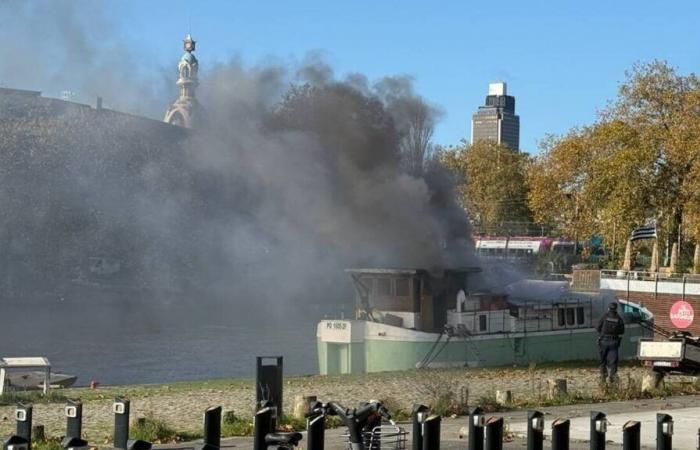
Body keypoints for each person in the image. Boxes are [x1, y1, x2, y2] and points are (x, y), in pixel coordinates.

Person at [596, 302, 625, 385]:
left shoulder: (604, 317)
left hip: (603, 341)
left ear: (608, 308)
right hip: (614, 342)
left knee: (602, 361)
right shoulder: (619, 319)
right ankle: (612, 379)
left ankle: (603, 378)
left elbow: (598, 327)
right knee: (613, 362)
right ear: (616, 309)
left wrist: (603, 333)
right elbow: (622, 331)